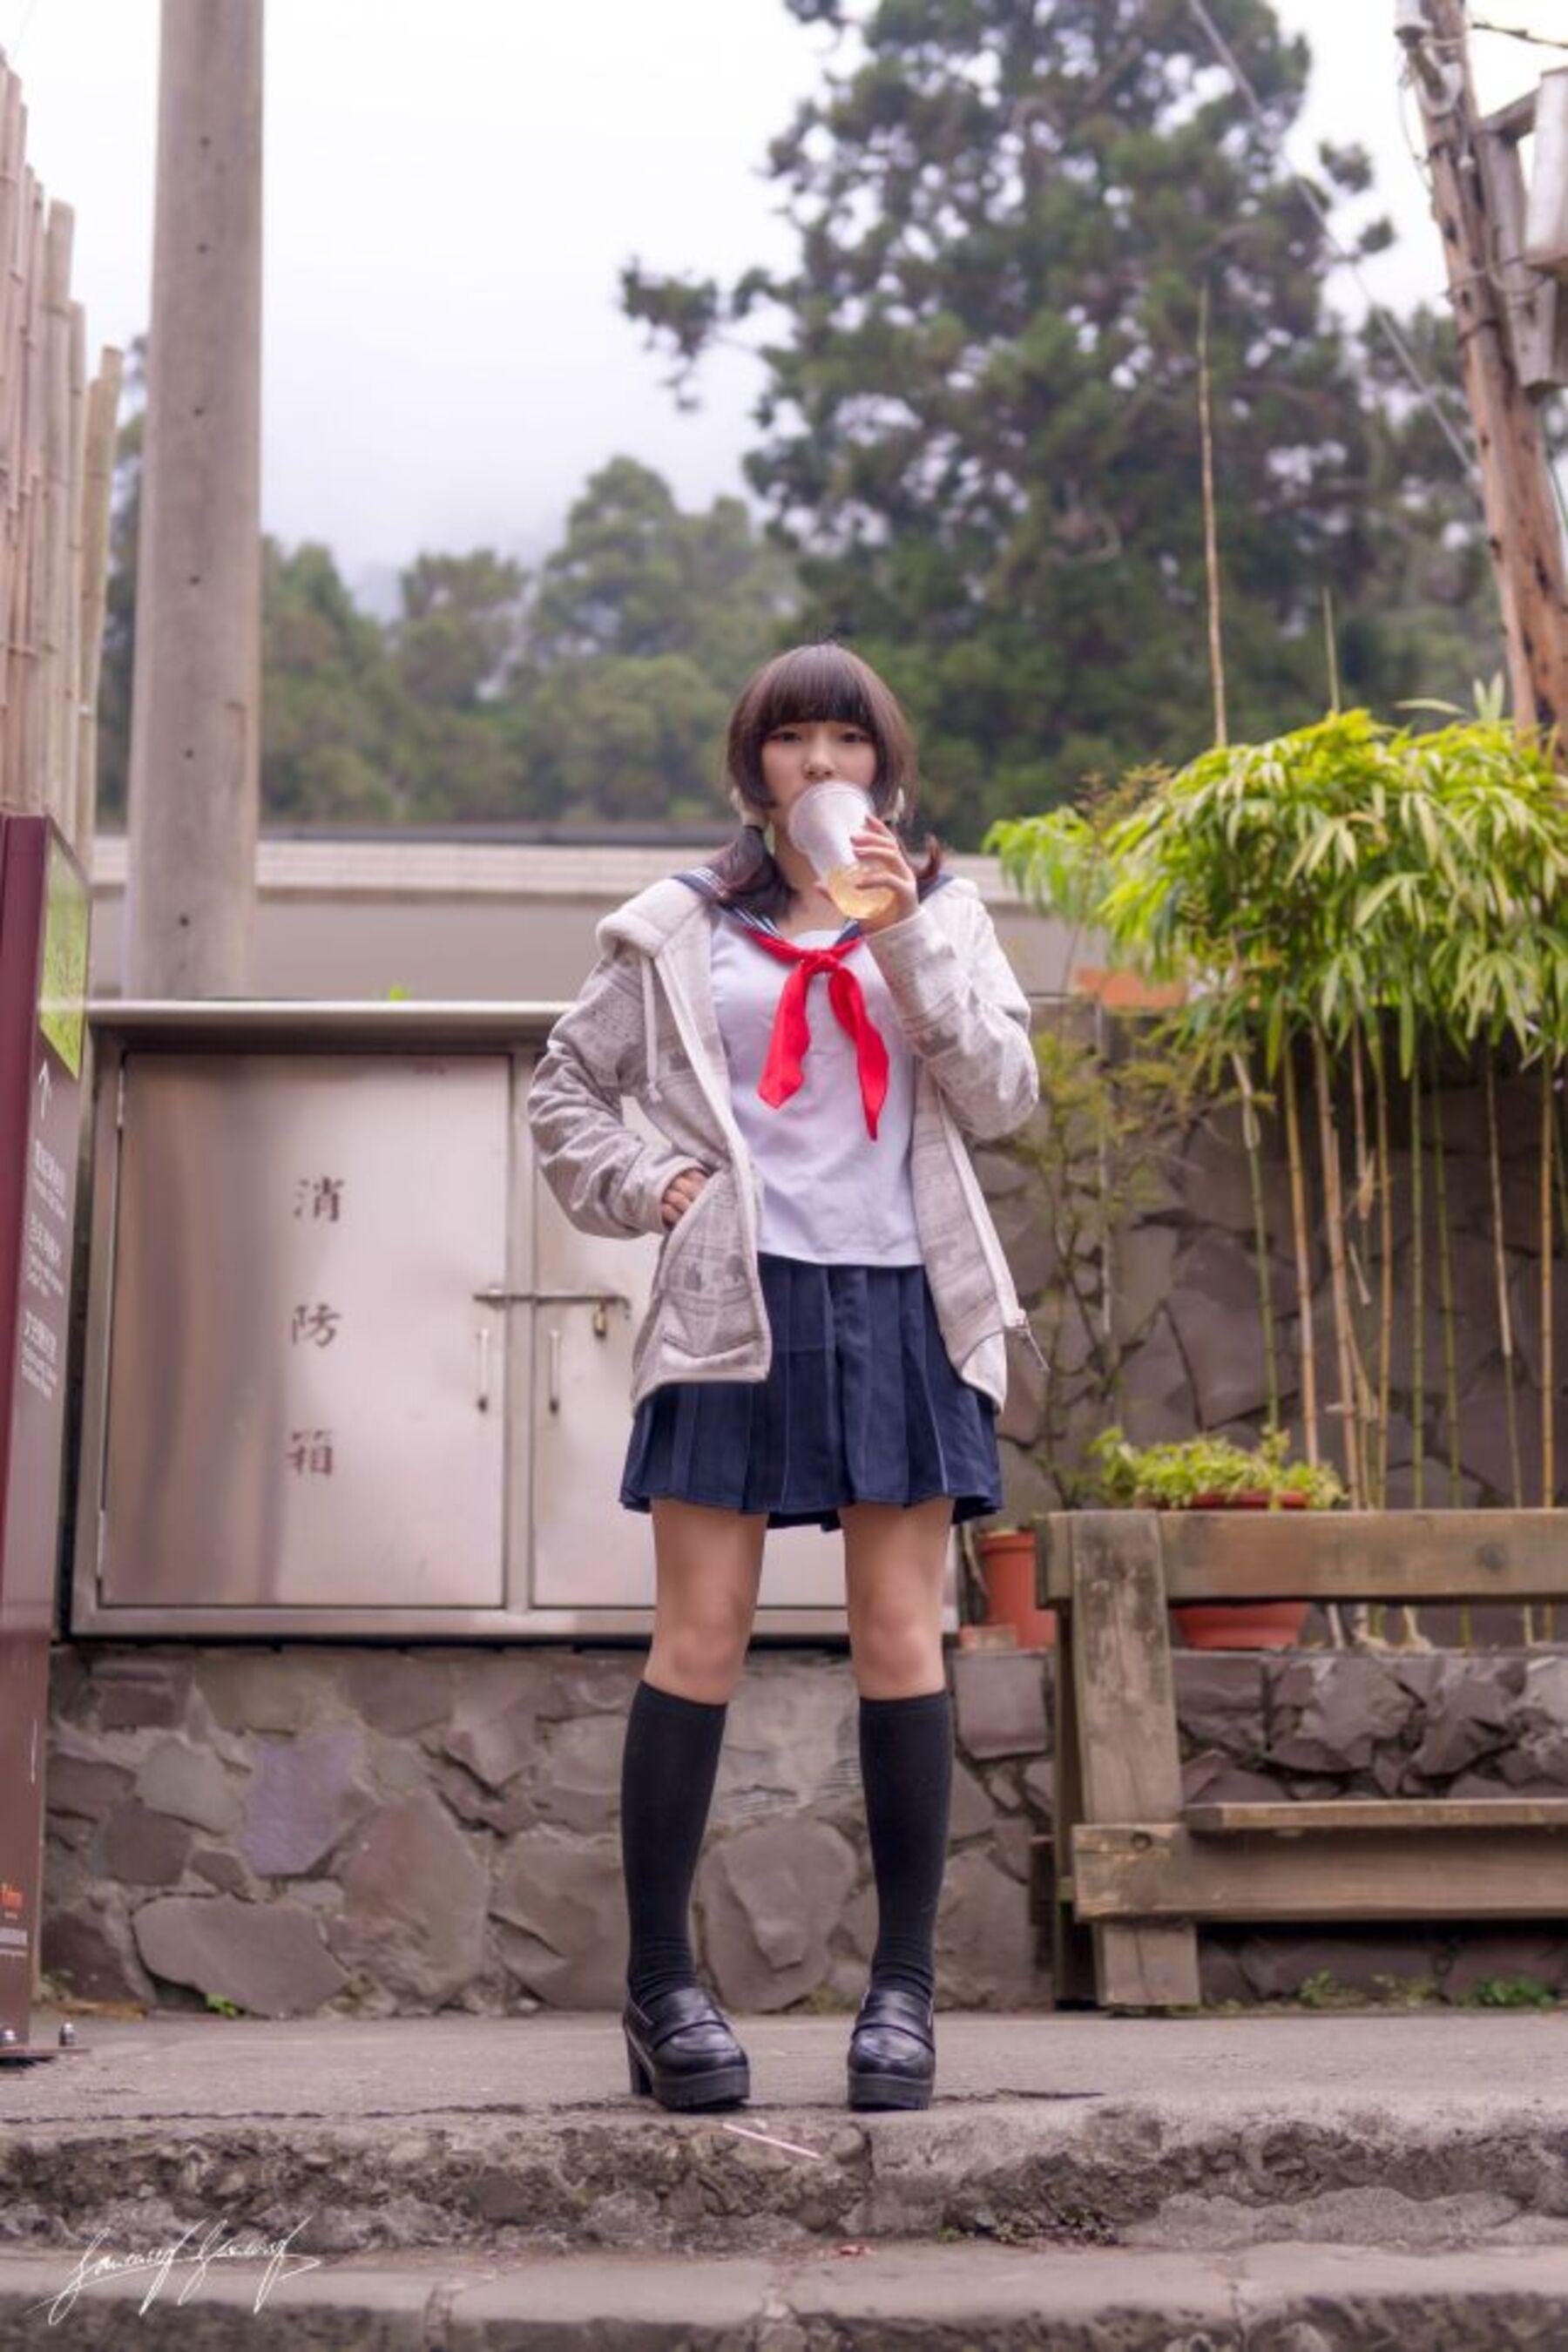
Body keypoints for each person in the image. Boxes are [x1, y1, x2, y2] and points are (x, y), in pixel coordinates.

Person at [525, 639, 1042, 2114]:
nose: (822, 764)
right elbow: (566, 1086)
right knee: (700, 1635)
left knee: (901, 1635)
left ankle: (903, 1997)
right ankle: (659, 1993)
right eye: (793, 740)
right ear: (754, 770)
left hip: (905, 1300)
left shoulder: (945, 915)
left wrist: (901, 932)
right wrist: (655, 1184)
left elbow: (1004, 1098)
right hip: (736, 1303)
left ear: (887, 767)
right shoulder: (678, 926)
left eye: (849, 741)